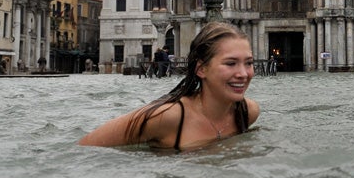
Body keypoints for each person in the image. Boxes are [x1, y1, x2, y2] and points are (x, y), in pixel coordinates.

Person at [79, 22, 261, 151]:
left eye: (249, 63)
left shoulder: (248, 112)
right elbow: (87, 146)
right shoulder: (168, 116)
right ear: (201, 69)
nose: (243, 74)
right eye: (230, 63)